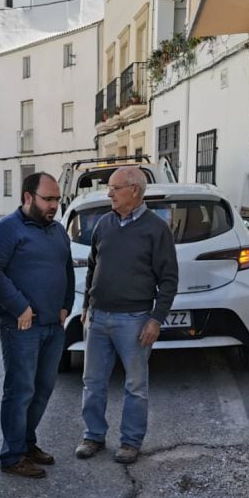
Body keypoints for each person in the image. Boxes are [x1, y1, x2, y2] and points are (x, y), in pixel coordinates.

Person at [76, 165, 179, 464]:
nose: (109, 193)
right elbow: (93, 267)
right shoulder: (104, 224)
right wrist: (85, 306)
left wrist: (156, 319)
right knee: (92, 382)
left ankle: (130, 442)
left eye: (114, 188)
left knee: (135, 385)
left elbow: (169, 279)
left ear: (134, 190)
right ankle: (93, 436)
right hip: (97, 317)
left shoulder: (156, 229)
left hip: (134, 320)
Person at [0, 172, 74, 479]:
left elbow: (67, 267)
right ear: (27, 197)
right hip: (21, 328)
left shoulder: (58, 231)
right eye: (48, 199)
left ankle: (26, 442)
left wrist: (67, 304)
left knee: (43, 389)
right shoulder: (6, 230)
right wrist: (18, 306)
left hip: (53, 325)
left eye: (57, 200)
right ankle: (12, 456)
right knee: (20, 390)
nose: (54, 205)